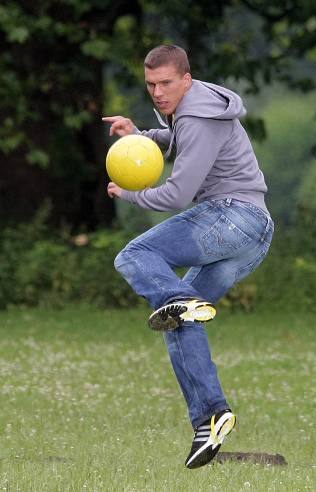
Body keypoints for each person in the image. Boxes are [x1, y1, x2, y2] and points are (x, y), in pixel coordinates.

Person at [102, 45, 274, 469]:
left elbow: (177, 194)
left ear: (186, 79)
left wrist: (130, 195)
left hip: (232, 217)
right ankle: (211, 417)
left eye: (165, 83)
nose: (157, 93)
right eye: (151, 85)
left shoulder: (196, 115)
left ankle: (177, 299)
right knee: (178, 320)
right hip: (253, 232)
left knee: (134, 254)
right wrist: (140, 135)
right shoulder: (197, 108)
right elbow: (177, 139)